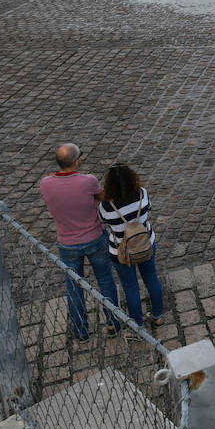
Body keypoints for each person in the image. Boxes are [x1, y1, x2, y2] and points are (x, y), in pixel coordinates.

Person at [38, 142, 119, 341]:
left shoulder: (45, 183)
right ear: (77, 161)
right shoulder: (88, 181)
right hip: (95, 238)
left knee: (74, 286)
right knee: (105, 279)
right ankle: (113, 323)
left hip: (67, 242)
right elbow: (101, 197)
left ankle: (81, 330)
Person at [97, 163, 165, 328]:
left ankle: (137, 325)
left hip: (122, 253)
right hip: (146, 244)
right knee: (151, 278)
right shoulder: (142, 194)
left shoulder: (106, 206)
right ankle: (157, 315)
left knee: (130, 287)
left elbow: (103, 221)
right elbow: (148, 210)